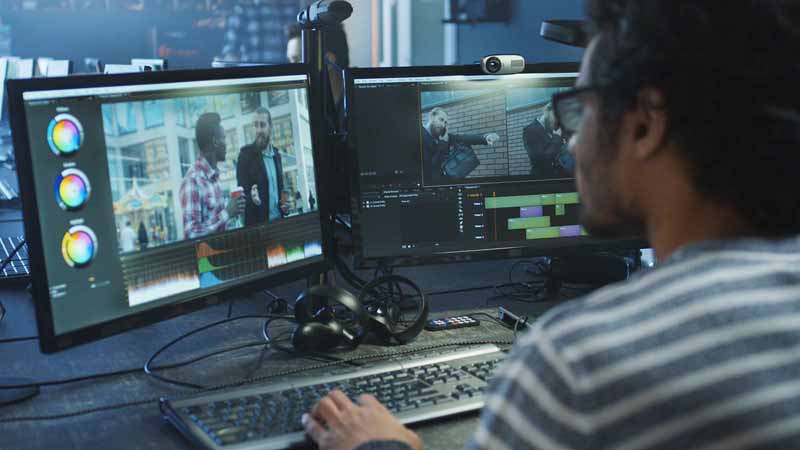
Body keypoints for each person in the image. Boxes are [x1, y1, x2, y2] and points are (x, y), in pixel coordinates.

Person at [302, 1, 800, 449]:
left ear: (644, 125)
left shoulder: (579, 363)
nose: (576, 144)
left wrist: (381, 447)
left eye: (580, 111)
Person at [180, 112, 245, 239]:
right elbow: (191, 234)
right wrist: (227, 213)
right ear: (215, 141)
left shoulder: (213, 178)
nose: (227, 144)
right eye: (224, 138)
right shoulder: (193, 180)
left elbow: (217, 226)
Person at [422, 107, 500, 185]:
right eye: (441, 120)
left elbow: (463, 138)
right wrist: (443, 144)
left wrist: (485, 137)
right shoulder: (418, 134)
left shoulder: (442, 137)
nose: (443, 125)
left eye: (445, 123)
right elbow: (430, 165)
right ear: (432, 116)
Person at [236, 107, 287, 226]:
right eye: (255, 125)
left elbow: (280, 191)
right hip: (259, 228)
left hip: (279, 223)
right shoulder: (245, 156)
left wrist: (284, 206)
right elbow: (241, 197)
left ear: (270, 127)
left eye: (262, 125)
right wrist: (252, 199)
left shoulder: (277, 155)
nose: (258, 130)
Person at [523, 101, 572, 178]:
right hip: (541, 180)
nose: (555, 125)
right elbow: (541, 159)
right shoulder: (530, 130)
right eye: (555, 121)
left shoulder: (551, 129)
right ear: (548, 113)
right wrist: (557, 137)